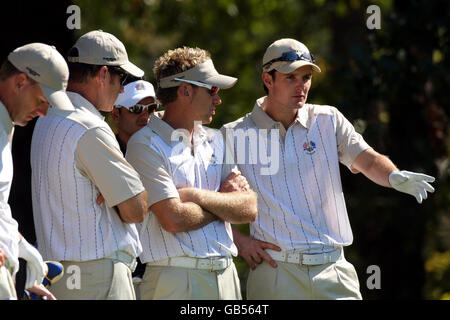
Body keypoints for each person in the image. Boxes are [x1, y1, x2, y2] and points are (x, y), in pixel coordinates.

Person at [222, 38, 436, 300]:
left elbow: (367, 159)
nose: (301, 86)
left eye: (306, 77)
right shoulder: (233, 134)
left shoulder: (328, 119)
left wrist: (392, 175)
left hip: (333, 269)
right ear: (268, 80)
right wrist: (240, 241)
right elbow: (211, 201)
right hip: (276, 272)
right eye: (291, 78)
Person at [125, 46, 258, 300]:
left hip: (226, 277)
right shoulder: (143, 144)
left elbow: (249, 208)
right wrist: (223, 201)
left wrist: (194, 196)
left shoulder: (216, 139)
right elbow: (173, 219)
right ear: (185, 90)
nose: (218, 99)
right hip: (175, 281)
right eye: (213, 90)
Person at [30, 30, 148, 300]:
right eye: (123, 78)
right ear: (104, 74)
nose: (122, 89)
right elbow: (135, 209)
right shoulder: (90, 125)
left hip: (60, 276)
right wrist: (123, 189)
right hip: (97, 277)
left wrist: (111, 192)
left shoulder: (45, 118)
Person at [0, 42, 73, 300]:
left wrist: (21, 248)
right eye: (42, 100)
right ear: (20, 82)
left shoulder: (5, 125)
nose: (43, 112)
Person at [111, 79, 157, 154]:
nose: (146, 116)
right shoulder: (106, 151)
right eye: (136, 108)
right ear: (116, 115)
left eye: (151, 108)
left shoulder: (162, 149)